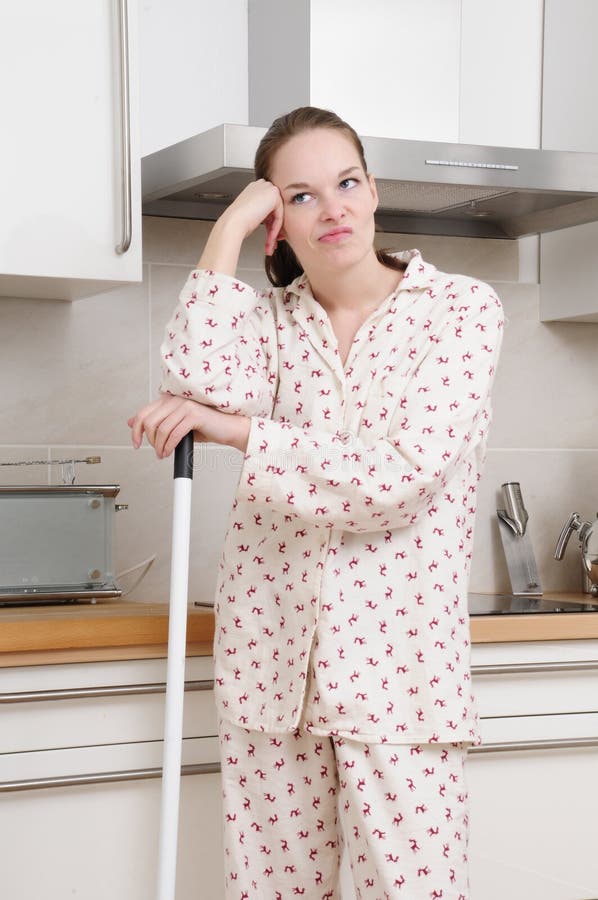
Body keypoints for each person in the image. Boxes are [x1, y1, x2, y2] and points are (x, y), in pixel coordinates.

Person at [129, 106, 504, 899]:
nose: (332, 208)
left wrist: (240, 433)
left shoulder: (461, 311)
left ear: (372, 192)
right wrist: (229, 227)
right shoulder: (267, 325)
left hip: (398, 682)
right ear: (278, 223)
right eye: (299, 196)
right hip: (270, 672)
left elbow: (399, 475)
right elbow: (193, 386)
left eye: (346, 183)